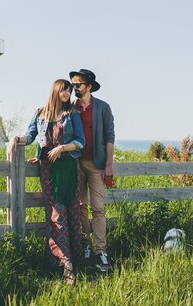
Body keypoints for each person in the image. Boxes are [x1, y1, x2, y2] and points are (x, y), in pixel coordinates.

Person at [7, 79, 85, 285]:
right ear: (56, 90)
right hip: (49, 170)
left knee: (73, 212)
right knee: (57, 213)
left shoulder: (72, 115)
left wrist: (61, 148)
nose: (68, 93)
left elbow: (80, 142)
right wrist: (16, 139)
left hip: (69, 168)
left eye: (70, 90)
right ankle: (65, 264)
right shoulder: (40, 113)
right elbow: (30, 136)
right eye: (64, 90)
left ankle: (74, 257)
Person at [69, 69, 115, 272]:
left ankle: (101, 251)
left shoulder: (103, 108)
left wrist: (109, 164)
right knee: (81, 207)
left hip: (97, 165)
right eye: (73, 84)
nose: (74, 88)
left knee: (98, 208)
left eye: (78, 84)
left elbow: (109, 137)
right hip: (77, 164)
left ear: (88, 86)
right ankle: (86, 246)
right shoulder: (70, 108)